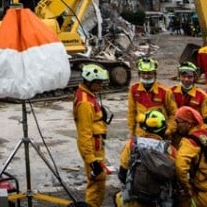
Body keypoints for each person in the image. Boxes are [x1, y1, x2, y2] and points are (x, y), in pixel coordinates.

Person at [115, 110, 176, 207]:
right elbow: (175, 176)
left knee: (117, 197)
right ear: (163, 129)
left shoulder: (132, 144)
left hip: (134, 200)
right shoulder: (170, 150)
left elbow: (122, 173)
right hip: (158, 202)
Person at [74, 64, 111, 207]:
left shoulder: (88, 96)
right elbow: (84, 134)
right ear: (89, 82)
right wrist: (91, 160)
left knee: (98, 182)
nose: (101, 85)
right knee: (96, 184)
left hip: (96, 145)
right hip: (93, 148)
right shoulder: (85, 103)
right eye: (98, 83)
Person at [127, 57, 178, 138]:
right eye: (143, 73)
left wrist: (168, 130)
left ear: (155, 74)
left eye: (149, 73)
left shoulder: (165, 91)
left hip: (160, 134)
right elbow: (132, 112)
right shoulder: (134, 89)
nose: (146, 76)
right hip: (140, 134)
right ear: (139, 74)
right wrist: (132, 133)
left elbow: (174, 114)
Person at [170, 62, 207, 142]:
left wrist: (196, 134)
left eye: (190, 77)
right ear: (179, 76)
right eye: (183, 76)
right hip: (174, 131)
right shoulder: (170, 92)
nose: (186, 79)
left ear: (195, 78)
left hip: (193, 134)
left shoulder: (203, 97)